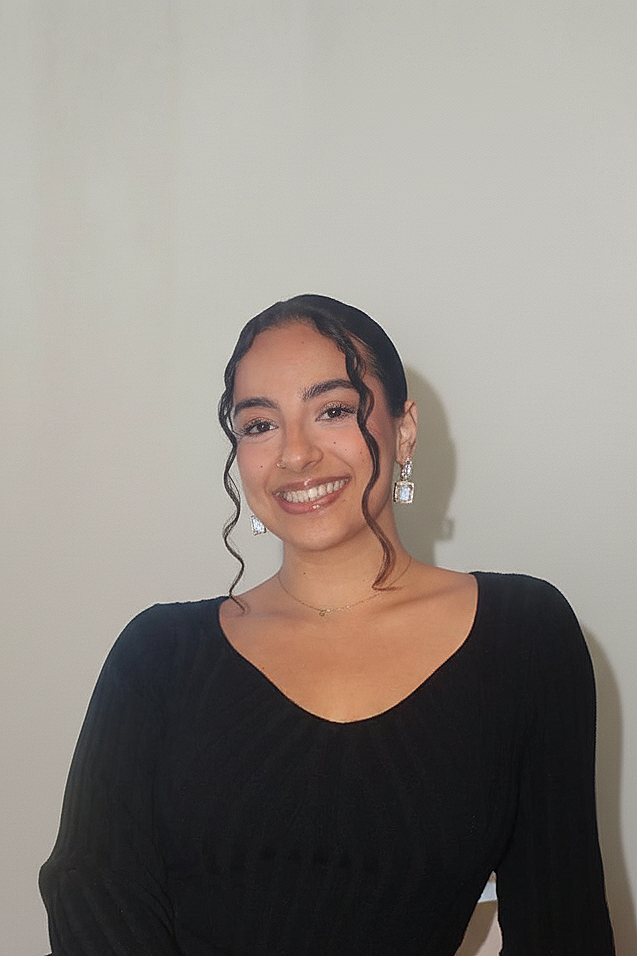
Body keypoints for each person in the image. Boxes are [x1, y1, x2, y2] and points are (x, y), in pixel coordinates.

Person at [40, 294, 615, 955]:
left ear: (404, 429)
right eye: (258, 425)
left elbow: (561, 921)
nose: (295, 454)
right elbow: (92, 895)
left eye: (333, 410)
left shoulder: (523, 634)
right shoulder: (158, 655)